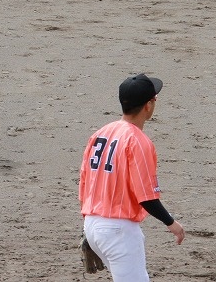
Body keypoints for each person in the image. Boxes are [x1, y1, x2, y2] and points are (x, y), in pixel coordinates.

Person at [79, 74, 185, 281]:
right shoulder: (138, 141)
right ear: (148, 105)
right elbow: (146, 196)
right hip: (118, 232)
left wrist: (91, 230)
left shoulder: (100, 134)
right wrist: (171, 223)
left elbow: (85, 184)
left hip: (92, 225)